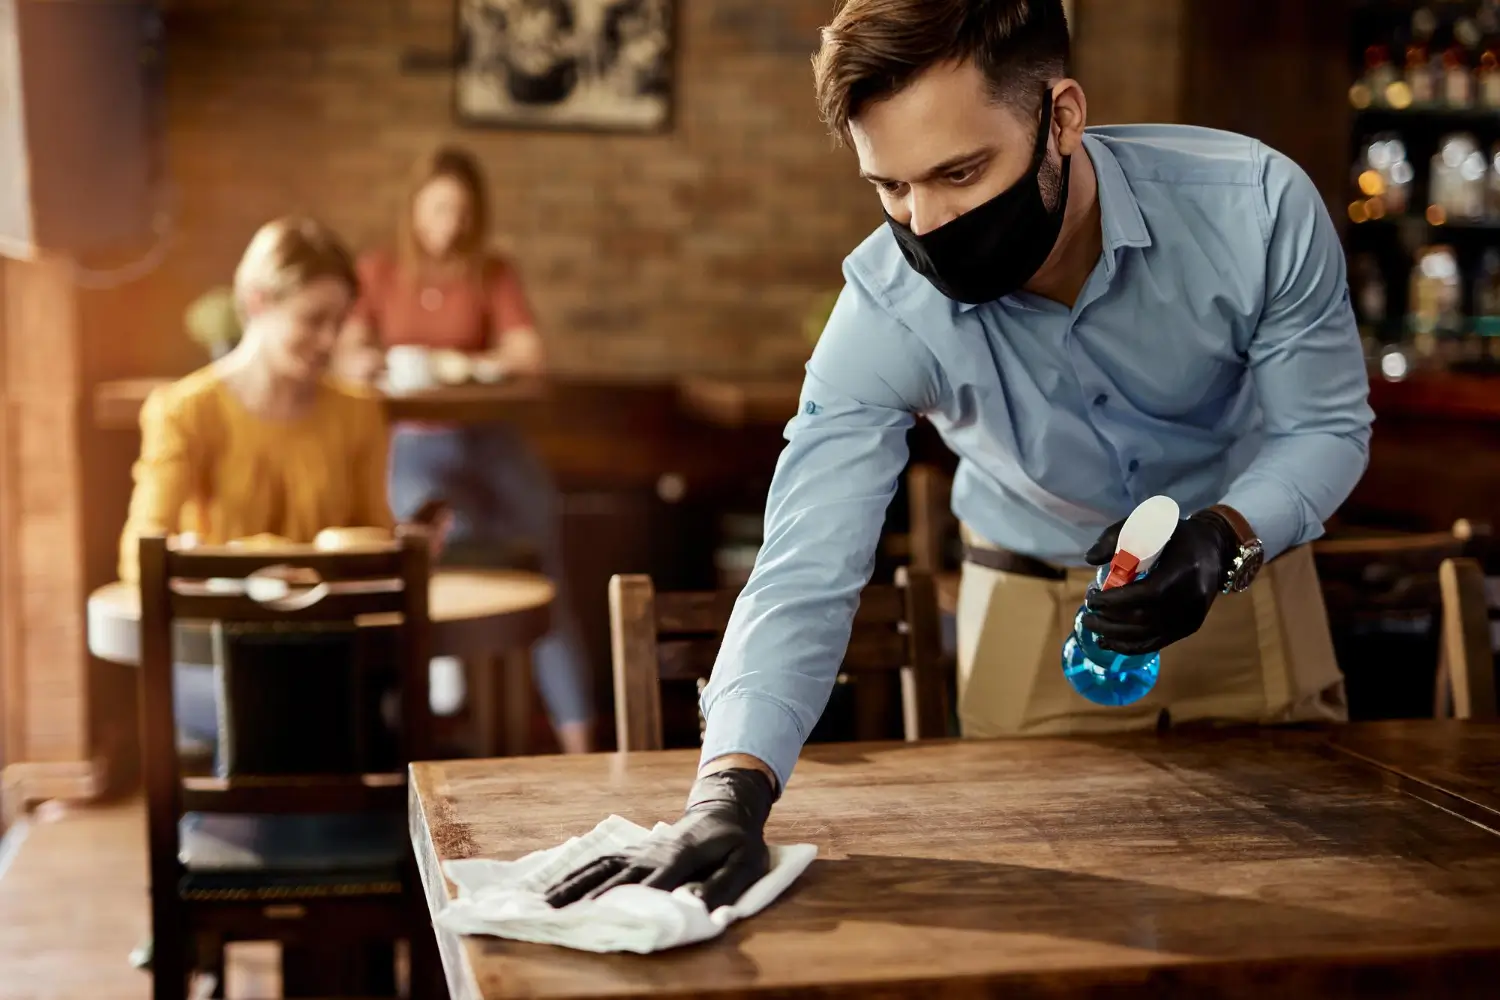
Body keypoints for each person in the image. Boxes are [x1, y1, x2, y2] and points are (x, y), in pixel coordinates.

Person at [543, 0, 1373, 909]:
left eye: (962, 173)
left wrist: (1227, 535)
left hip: (1246, 603)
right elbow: (803, 567)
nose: (927, 223)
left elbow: (1322, 429)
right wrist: (728, 792)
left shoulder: (1254, 208)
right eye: (891, 187)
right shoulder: (887, 310)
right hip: (1027, 625)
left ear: (1061, 117)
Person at [120, 216, 413, 746]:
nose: (329, 339)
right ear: (258, 301)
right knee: (294, 704)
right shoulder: (185, 411)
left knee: (329, 696)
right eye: (313, 318)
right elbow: (138, 555)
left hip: (333, 652)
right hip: (221, 658)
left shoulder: (360, 413)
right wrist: (184, 561)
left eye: (339, 320)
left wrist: (407, 548)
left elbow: (376, 539)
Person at [340, 145, 595, 755]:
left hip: (492, 443)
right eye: (437, 209)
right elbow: (346, 355)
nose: (449, 223)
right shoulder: (377, 271)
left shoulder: (491, 271)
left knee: (548, 579)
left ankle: (587, 749)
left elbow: (527, 355)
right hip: (417, 447)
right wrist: (379, 360)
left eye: (460, 211)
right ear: (413, 208)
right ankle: (422, 747)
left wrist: (462, 364)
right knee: (408, 579)